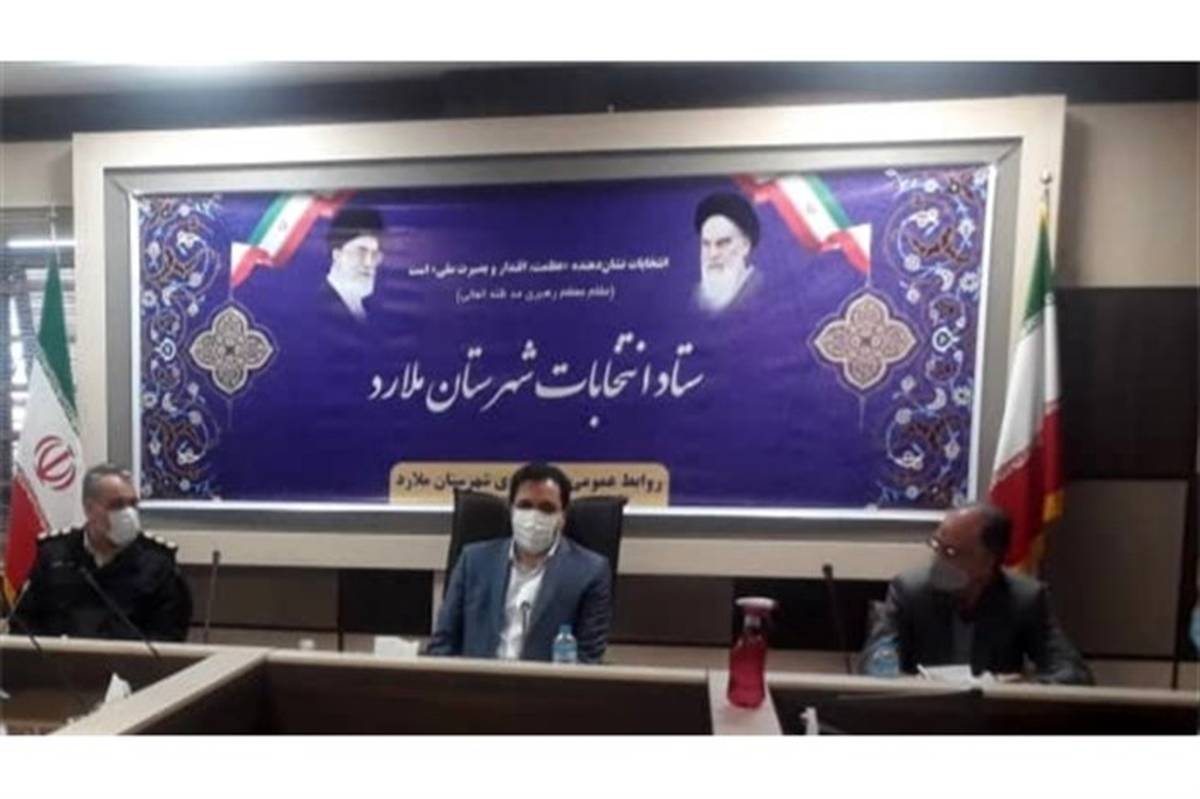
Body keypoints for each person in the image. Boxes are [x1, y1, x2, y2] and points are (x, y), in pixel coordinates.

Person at [860, 502, 1093, 685]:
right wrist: (913, 684)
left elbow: (1073, 674)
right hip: (925, 717)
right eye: (936, 546)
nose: (937, 561)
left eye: (951, 553)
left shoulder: (1026, 598)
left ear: (987, 562)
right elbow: (875, 663)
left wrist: (1019, 687)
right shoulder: (909, 591)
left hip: (993, 722)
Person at [425, 462, 613, 663]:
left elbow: (588, 658)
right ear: (511, 509)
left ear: (563, 517)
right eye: (525, 505)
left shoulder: (590, 571)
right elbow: (442, 644)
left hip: (547, 682)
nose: (534, 516)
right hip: (477, 680)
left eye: (547, 508)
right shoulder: (473, 561)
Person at [13, 463, 192, 642]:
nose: (128, 513)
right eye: (117, 505)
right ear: (89, 509)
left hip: (130, 659)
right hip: (58, 658)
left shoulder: (158, 562)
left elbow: (169, 635)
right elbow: (23, 623)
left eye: (133, 504)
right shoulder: (55, 555)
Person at [693, 192, 763, 314]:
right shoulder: (697, 298)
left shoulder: (762, 291)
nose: (713, 254)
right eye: (706, 244)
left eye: (722, 243)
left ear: (745, 246)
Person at [322, 206, 384, 323]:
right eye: (360, 252)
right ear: (337, 255)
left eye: (374, 255)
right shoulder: (321, 308)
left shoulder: (368, 309)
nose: (368, 263)